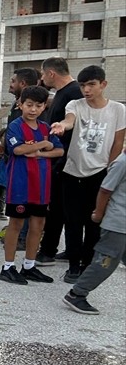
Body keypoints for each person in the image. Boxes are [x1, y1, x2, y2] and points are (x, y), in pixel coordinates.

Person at [48, 65, 126, 284]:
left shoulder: (118, 110)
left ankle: (87, 264)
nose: (86, 90)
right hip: (73, 172)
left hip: (100, 172)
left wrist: (110, 170)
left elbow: (118, 142)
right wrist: (62, 126)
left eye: (91, 84)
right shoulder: (76, 104)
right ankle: (73, 266)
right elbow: (69, 120)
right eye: (83, 85)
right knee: (73, 222)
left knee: (94, 222)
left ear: (103, 84)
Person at [0, 86, 64, 285]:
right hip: (20, 184)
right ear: (21, 104)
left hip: (41, 186)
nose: (33, 109)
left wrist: (40, 152)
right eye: (29, 105)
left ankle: (29, 265)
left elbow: (59, 151)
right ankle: (8, 267)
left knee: (38, 225)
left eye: (38, 105)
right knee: (16, 224)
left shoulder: (45, 127)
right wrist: (43, 144)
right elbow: (18, 149)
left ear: (44, 107)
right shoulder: (15, 125)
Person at [63, 152, 126, 314]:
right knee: (105, 262)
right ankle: (76, 294)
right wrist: (98, 213)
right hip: (117, 224)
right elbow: (105, 189)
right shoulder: (122, 162)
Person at [35, 57, 81, 264]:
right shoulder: (62, 93)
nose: (42, 77)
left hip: (67, 159)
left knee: (58, 207)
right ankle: (67, 249)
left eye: (43, 73)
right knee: (60, 207)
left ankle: (48, 250)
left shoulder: (74, 93)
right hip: (59, 157)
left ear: (51, 73)